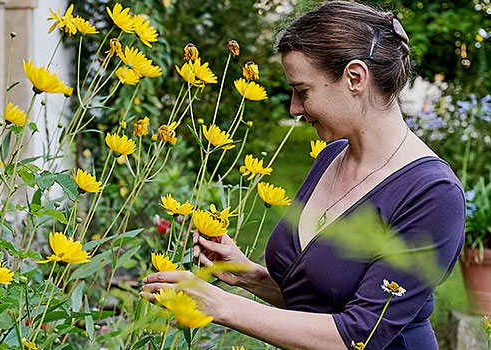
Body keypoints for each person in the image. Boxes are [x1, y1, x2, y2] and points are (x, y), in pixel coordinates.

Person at [138, 1, 466, 349]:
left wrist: (218, 305)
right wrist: (248, 276)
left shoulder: (433, 194)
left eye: (303, 91)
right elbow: (321, 301)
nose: (294, 108)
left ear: (355, 78)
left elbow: (359, 336)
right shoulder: (331, 157)